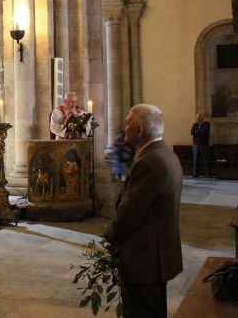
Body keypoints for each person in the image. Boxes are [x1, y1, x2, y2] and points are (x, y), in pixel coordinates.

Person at [103, 104, 183, 318]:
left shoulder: (148, 163)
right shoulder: (165, 154)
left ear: (140, 131)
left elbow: (129, 214)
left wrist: (109, 236)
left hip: (145, 259)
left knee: (142, 312)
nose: (124, 127)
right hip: (157, 255)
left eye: (128, 123)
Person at [190, 113, 211, 177]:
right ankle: (195, 173)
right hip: (196, 144)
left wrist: (197, 131)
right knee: (195, 159)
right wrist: (199, 132)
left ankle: (207, 173)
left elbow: (205, 131)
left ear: (202, 118)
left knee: (205, 159)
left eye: (199, 117)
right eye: (197, 117)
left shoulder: (207, 124)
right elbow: (192, 132)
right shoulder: (195, 124)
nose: (197, 119)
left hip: (204, 144)